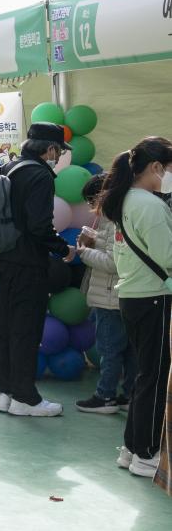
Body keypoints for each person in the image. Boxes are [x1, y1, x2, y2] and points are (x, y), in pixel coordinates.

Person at [97, 136, 172, 477]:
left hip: (134, 296)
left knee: (145, 375)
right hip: (154, 298)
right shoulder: (150, 205)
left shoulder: (127, 199)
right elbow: (168, 256)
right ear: (157, 168)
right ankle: (146, 452)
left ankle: (131, 447)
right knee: (154, 378)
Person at [0, 123, 73, 417]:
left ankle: (5, 392)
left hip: (0, 260)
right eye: (59, 151)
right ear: (50, 149)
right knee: (25, 330)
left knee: (3, 329)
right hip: (27, 265)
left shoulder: (8, 169)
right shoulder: (39, 175)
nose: (58, 156)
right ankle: (25, 398)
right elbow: (39, 225)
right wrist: (64, 249)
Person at [75, 173, 135, 414]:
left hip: (110, 296)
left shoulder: (113, 219)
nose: (91, 209)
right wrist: (94, 240)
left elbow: (113, 262)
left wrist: (82, 251)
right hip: (121, 294)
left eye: (92, 203)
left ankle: (105, 395)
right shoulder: (120, 216)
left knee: (109, 349)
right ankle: (130, 393)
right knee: (129, 349)